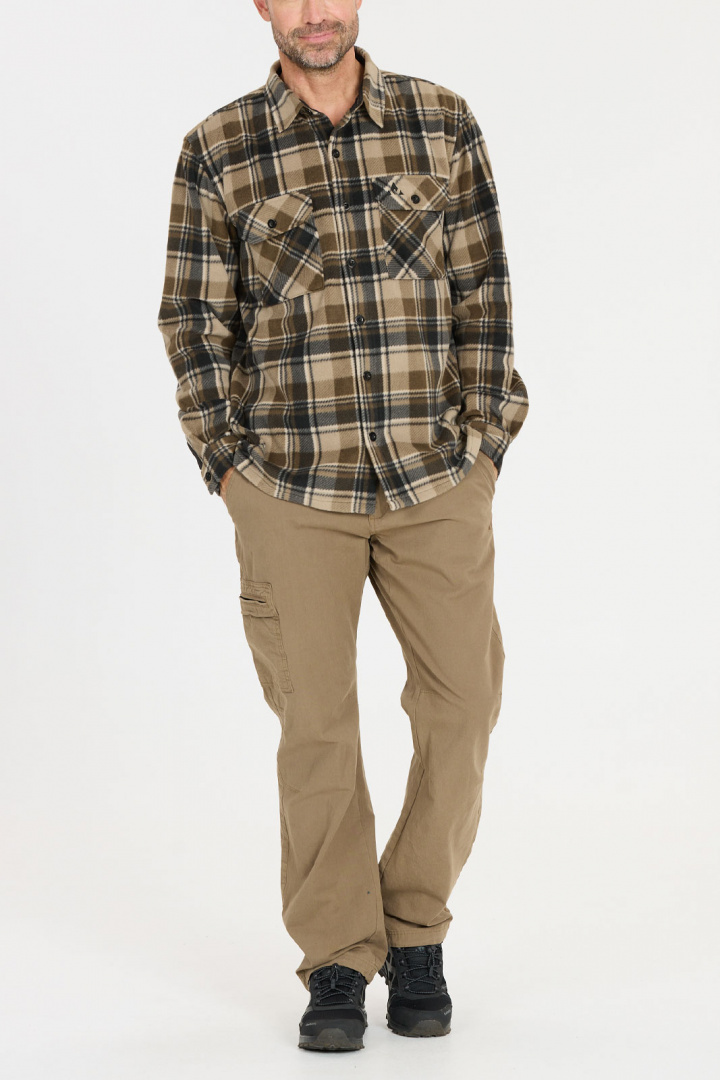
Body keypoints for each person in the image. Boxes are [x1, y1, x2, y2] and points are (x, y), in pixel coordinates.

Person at [157, 0, 529, 1053]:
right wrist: (228, 467)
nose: (316, 13)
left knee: (464, 706)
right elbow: (193, 320)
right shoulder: (218, 147)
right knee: (317, 726)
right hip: (288, 483)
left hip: (435, 476)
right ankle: (335, 954)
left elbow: (485, 290)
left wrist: (484, 445)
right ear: (261, 5)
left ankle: (415, 928)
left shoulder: (442, 122)